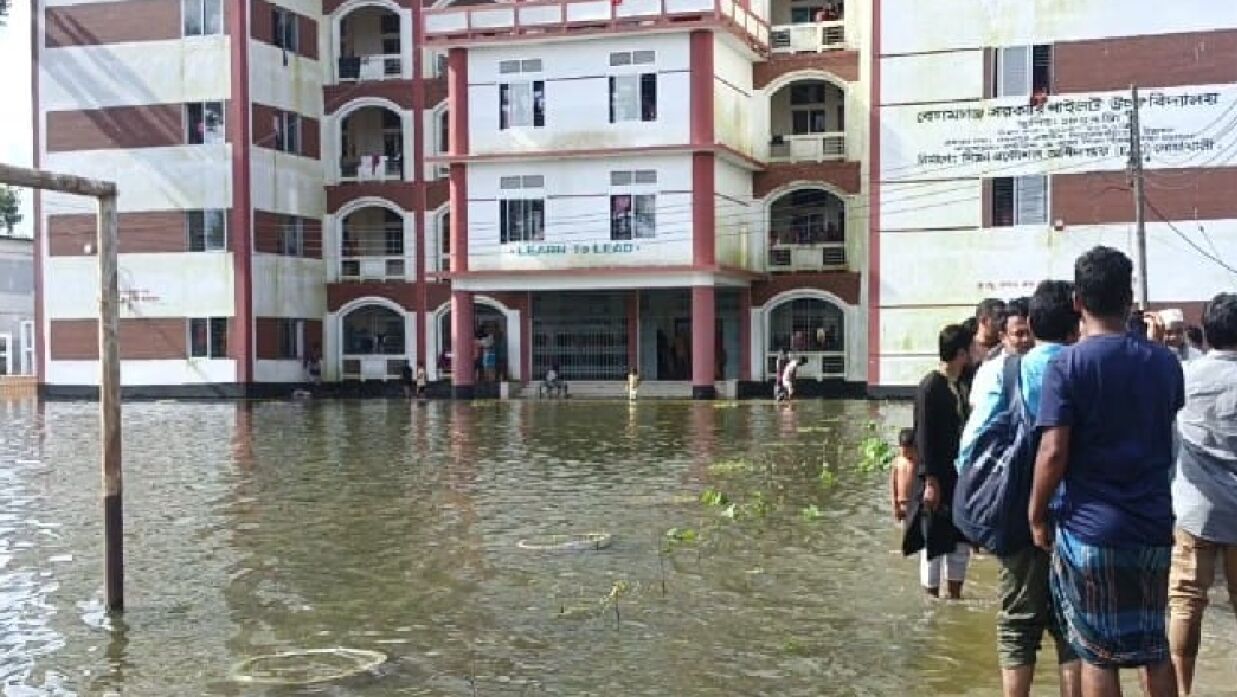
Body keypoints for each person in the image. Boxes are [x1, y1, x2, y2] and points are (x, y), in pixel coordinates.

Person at [1030, 246, 1184, 697]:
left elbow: (1053, 452)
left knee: (1098, 653)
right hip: (1153, 524)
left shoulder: (1068, 364)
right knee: (1154, 646)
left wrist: (1036, 514)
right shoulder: (1164, 361)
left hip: (1092, 529)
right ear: (1129, 297)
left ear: (1078, 301)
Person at [962, 281, 1082, 697]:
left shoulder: (1004, 370)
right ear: (1077, 322)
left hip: (1016, 513)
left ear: (1030, 324)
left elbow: (970, 449)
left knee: (1017, 622)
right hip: (1079, 517)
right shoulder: (1087, 367)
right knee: (1073, 627)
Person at [1169, 293, 1237, 696]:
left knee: (1186, 603)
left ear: (1207, 332)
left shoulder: (1184, 376)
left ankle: (1181, 689)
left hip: (1197, 510)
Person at [904, 323, 973, 599]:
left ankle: (955, 596)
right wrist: (930, 480)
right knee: (933, 539)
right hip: (936, 475)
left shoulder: (961, 384)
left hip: (958, 474)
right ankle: (931, 599)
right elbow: (924, 436)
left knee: (959, 537)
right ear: (960, 353)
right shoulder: (931, 386)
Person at [890, 428, 916, 523]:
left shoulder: (916, 462)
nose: (906, 454)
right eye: (903, 450)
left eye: (909, 451)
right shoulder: (897, 462)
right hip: (902, 504)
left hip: (914, 504)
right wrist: (895, 506)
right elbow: (893, 484)